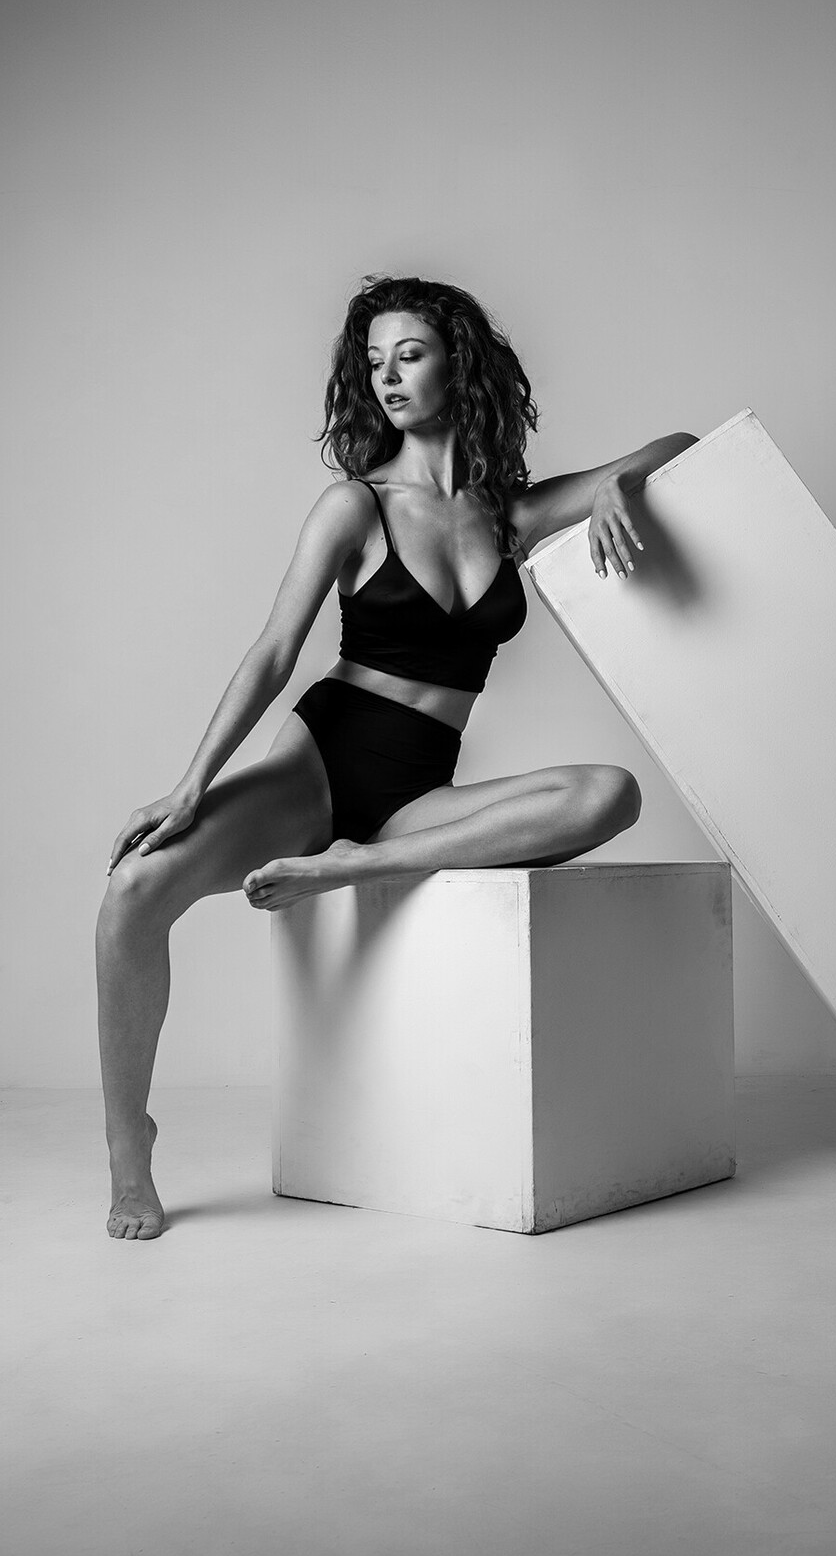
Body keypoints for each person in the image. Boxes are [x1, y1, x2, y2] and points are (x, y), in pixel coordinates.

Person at [98, 275, 698, 1241]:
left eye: (409, 355)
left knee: (610, 793)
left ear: (459, 363)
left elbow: (681, 445)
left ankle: (360, 866)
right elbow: (274, 652)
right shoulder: (355, 506)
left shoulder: (511, 516)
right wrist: (189, 785)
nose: (387, 377)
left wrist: (620, 484)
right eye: (374, 362)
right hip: (323, 760)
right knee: (134, 891)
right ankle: (130, 1142)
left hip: (416, 794)